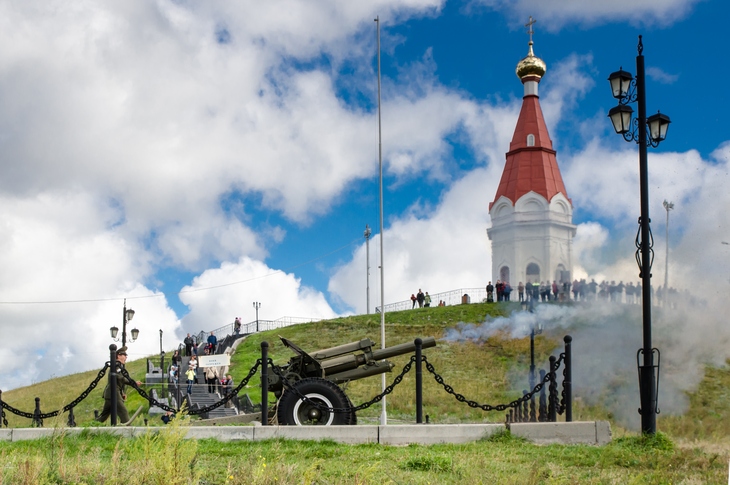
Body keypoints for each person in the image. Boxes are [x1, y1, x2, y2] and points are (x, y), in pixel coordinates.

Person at [96, 346, 142, 424]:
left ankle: (91, 426)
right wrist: (134, 383)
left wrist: (121, 393)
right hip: (113, 394)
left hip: (111, 393)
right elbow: (121, 378)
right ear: (118, 356)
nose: (126, 357)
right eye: (124, 355)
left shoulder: (117, 366)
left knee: (103, 416)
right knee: (123, 412)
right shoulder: (116, 366)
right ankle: (128, 431)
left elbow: (118, 381)